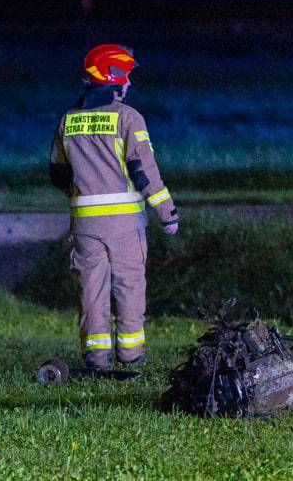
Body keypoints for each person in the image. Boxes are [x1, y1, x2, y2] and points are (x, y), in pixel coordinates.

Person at [49, 44, 178, 369]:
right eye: (126, 76)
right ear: (113, 77)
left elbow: (58, 173)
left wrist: (83, 193)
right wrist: (167, 214)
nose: (130, 84)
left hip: (85, 227)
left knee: (91, 291)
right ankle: (131, 356)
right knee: (129, 287)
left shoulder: (69, 120)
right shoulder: (128, 117)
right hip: (124, 226)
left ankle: (96, 358)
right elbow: (144, 172)